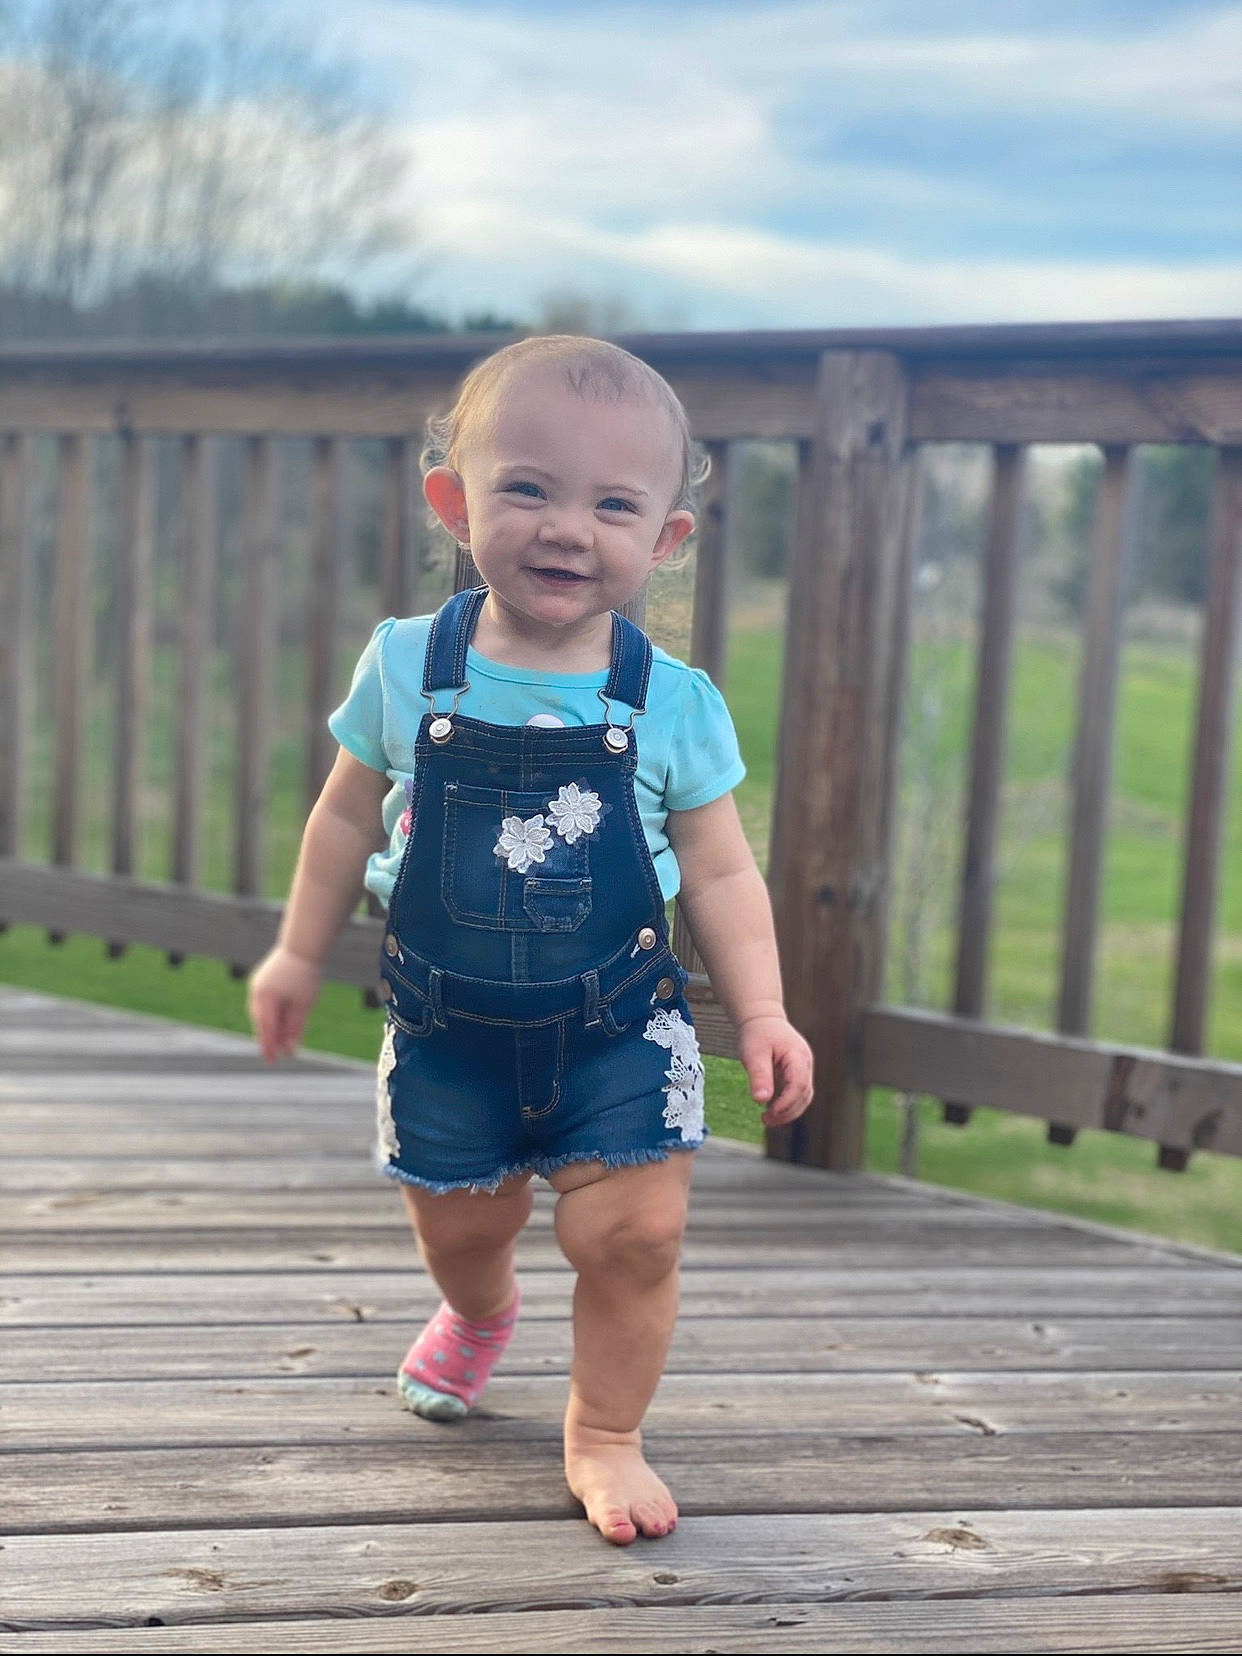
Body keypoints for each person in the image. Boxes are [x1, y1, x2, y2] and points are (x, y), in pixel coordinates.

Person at [247, 335, 813, 1546]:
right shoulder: (410, 667)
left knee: (638, 1233)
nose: (569, 528)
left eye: (613, 503)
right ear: (453, 502)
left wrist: (761, 1011)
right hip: (448, 1033)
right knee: (464, 1225)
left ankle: (604, 1430)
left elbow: (719, 865)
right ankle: (481, 1309)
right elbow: (345, 814)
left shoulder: (671, 701)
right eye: (529, 488)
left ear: (665, 540)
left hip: (617, 1024)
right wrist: (297, 953)